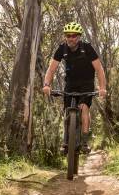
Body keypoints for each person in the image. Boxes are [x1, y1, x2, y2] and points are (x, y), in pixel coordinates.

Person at [42, 22, 107, 154]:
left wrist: (102, 88)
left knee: (84, 107)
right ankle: (66, 142)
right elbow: (51, 69)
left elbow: (99, 69)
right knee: (67, 110)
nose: (71, 38)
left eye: (74, 36)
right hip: (71, 83)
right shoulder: (62, 49)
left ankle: (84, 142)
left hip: (87, 82)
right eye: (68, 35)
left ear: (79, 37)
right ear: (65, 36)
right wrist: (47, 85)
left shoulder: (87, 48)